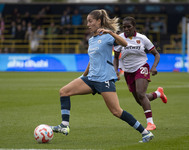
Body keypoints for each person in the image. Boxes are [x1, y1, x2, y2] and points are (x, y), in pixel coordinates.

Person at [50, 9, 154, 143]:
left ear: (99, 21)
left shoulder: (107, 36)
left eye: (90, 21)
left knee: (116, 111)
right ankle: (64, 126)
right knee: (64, 91)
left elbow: (125, 43)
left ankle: (145, 133)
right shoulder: (91, 40)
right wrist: (82, 76)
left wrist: (110, 32)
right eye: (87, 21)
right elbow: (92, 60)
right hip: (91, 78)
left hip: (104, 79)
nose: (88, 24)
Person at [113, 16, 167, 131]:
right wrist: (116, 71)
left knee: (140, 94)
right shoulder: (119, 39)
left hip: (141, 66)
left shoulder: (142, 38)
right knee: (140, 99)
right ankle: (158, 93)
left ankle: (150, 123)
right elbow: (116, 58)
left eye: (129, 26)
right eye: (124, 27)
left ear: (134, 27)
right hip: (128, 71)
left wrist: (154, 67)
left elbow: (156, 54)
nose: (126, 29)